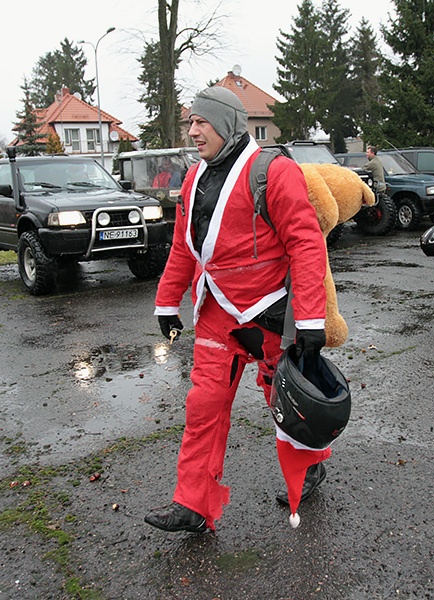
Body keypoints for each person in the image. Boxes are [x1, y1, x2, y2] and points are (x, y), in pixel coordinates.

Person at [145, 86, 329, 533]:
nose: (192, 131)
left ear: (226, 124)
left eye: (200, 122)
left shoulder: (274, 171)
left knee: (285, 401)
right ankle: (193, 503)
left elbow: (306, 245)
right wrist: (167, 302)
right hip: (214, 315)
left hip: (267, 314)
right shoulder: (193, 179)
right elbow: (185, 247)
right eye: (189, 123)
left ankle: (308, 468)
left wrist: (309, 320)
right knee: (203, 405)